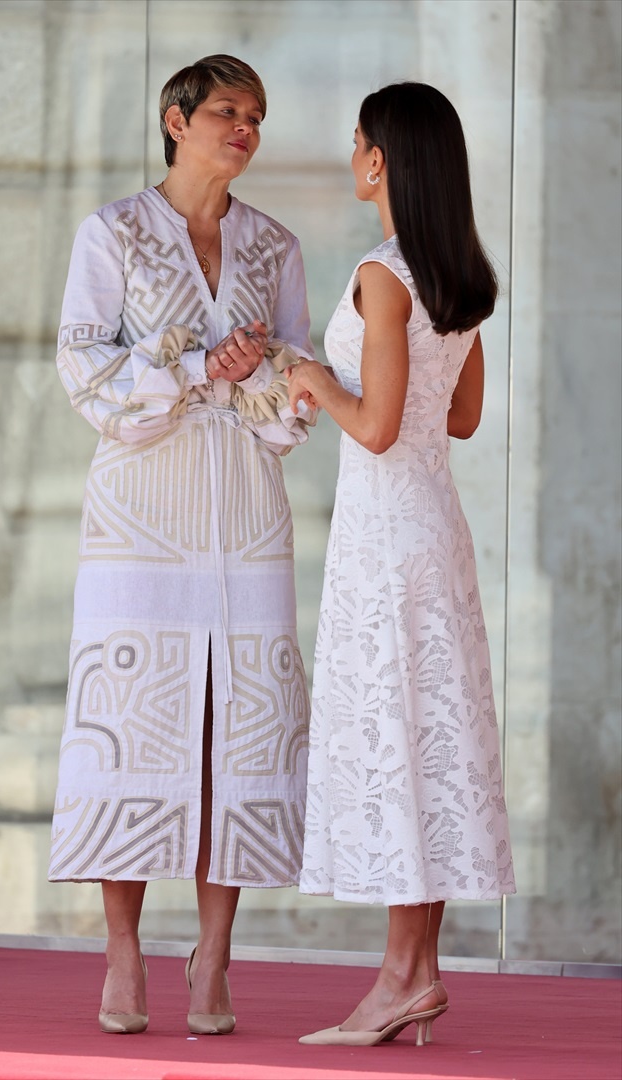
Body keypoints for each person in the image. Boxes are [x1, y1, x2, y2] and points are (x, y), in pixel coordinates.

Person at [48, 54, 316, 1037]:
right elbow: (81, 368)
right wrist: (201, 363)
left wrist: (258, 371)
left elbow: (297, 390)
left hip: (244, 515)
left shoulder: (276, 245)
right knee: (134, 718)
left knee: (234, 730)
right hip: (140, 517)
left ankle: (214, 958)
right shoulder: (111, 232)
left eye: (256, 115)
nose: (243, 129)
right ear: (176, 120)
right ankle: (123, 952)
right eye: (226, 113)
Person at [286, 82, 515, 1047]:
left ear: (383, 160)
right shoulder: (460, 273)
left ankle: (395, 979)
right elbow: (456, 420)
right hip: (437, 526)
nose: (350, 153)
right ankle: (416, 974)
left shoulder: (383, 275)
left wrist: (312, 379)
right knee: (431, 737)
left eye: (358, 142)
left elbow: (375, 429)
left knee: (393, 731)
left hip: (384, 538)